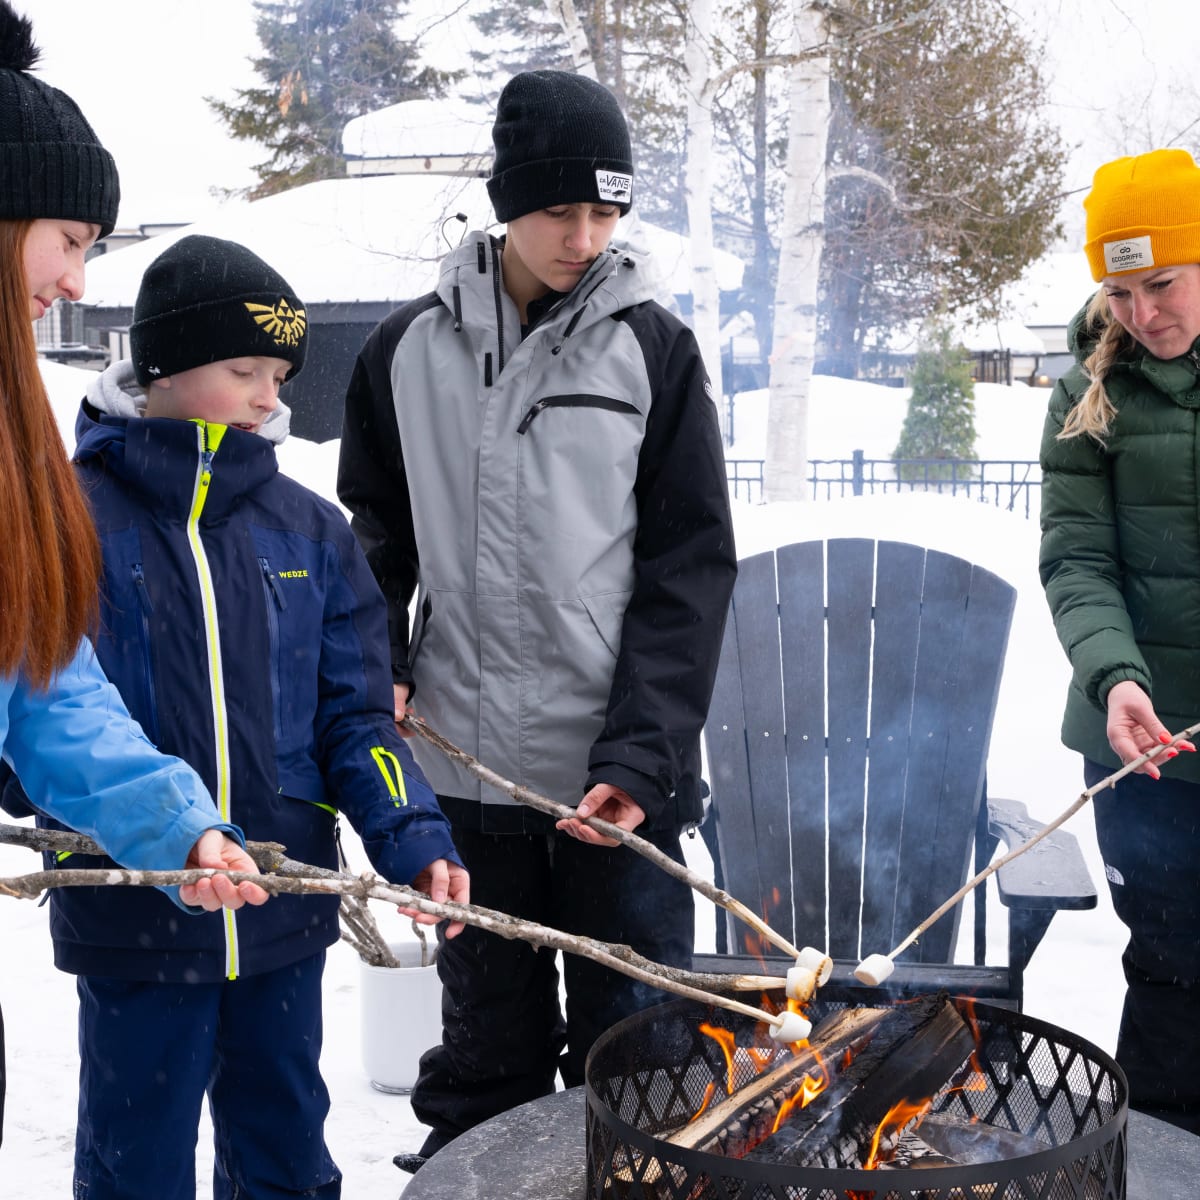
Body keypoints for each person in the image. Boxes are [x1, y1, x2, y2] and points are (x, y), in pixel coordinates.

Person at [1, 232, 470, 1199]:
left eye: (281, 373)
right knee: (138, 1158)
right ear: (165, 370)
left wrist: (412, 833)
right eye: (243, 368)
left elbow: (356, 720)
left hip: (281, 909)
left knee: (286, 1143)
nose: (270, 396)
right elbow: (34, 717)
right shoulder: (70, 521)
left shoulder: (311, 531)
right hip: (135, 908)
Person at [338, 68, 737, 1170]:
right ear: (507, 201)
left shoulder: (654, 351)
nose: (584, 235)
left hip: (615, 783)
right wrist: (380, 662)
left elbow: (689, 569)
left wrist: (645, 755)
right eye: (561, 209)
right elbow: (372, 536)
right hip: (466, 779)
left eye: (607, 212)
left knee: (643, 1059)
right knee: (489, 1054)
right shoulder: (403, 353)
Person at [0, 0, 266, 1151]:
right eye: (70, 237)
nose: (74, 276)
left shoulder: (14, 434)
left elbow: (43, 676)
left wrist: (177, 827)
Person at [1039, 146, 1200, 1135]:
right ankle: (1165, 1159)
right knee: (1172, 968)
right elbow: (1078, 561)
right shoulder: (1087, 396)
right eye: (1122, 290)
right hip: (1145, 751)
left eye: (1165, 283)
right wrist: (1114, 679)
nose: (1145, 313)